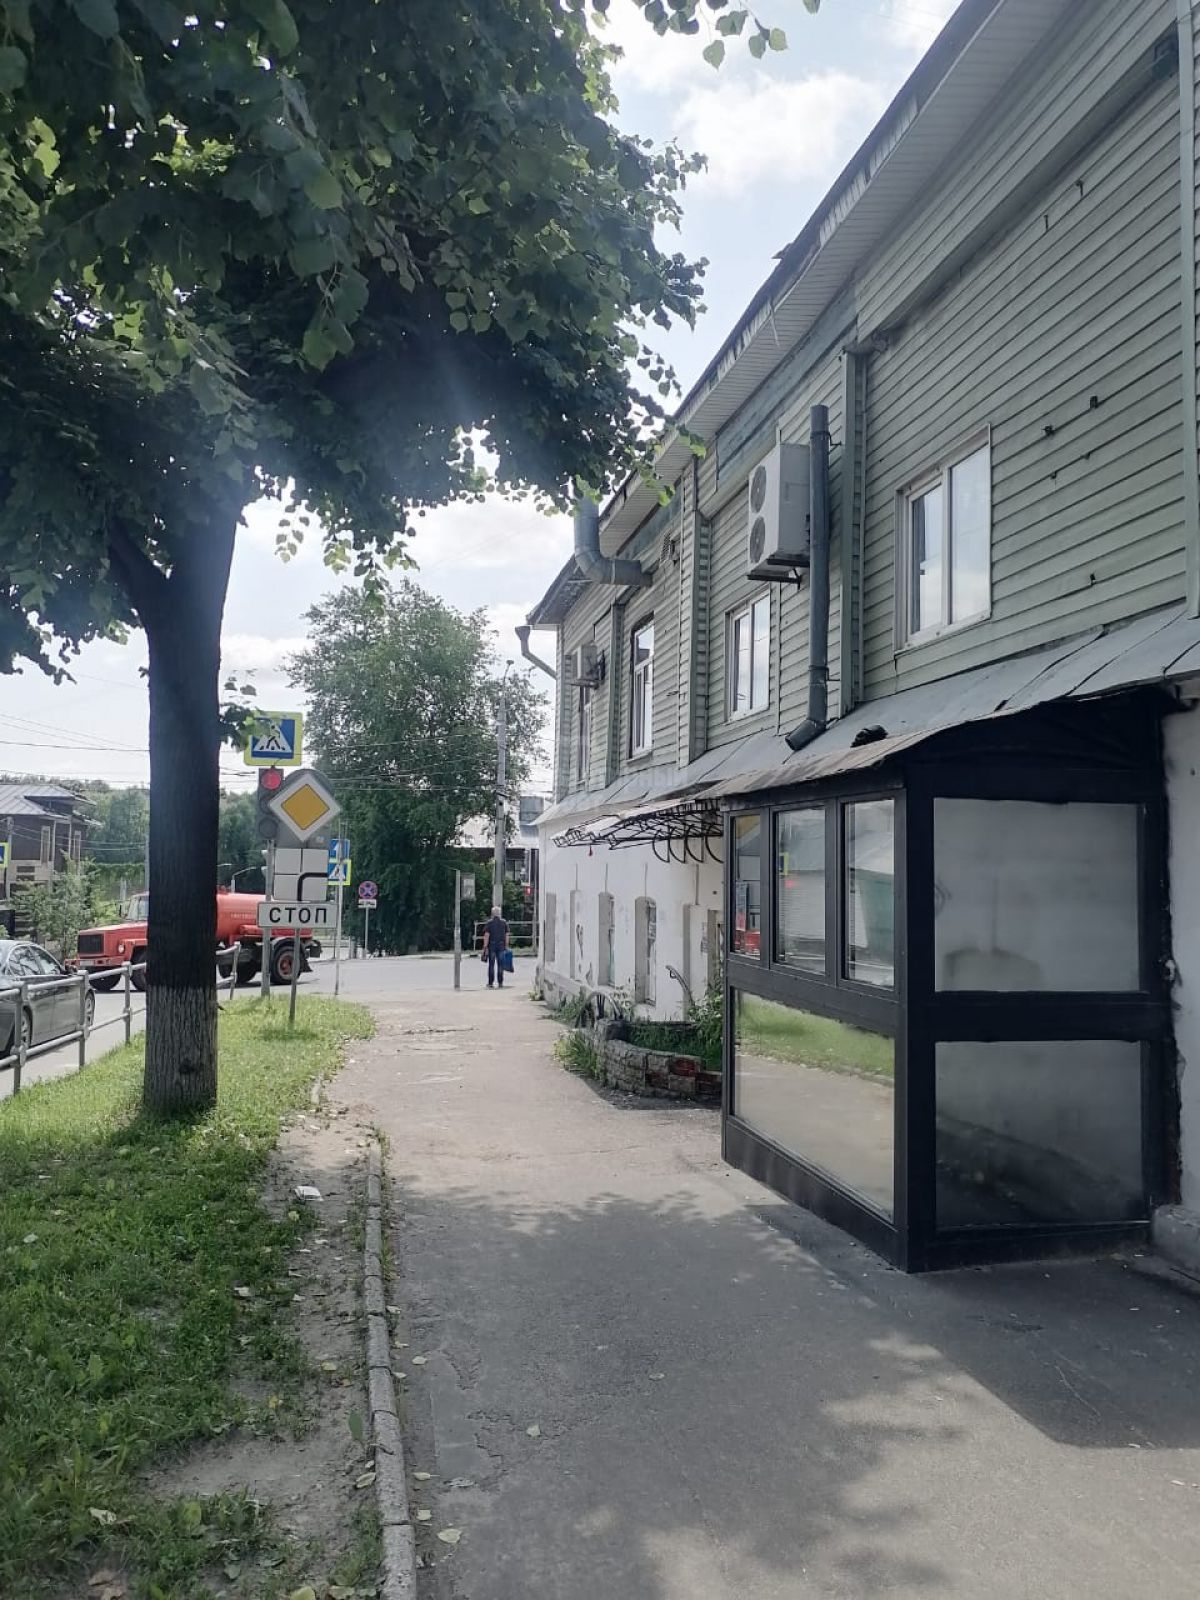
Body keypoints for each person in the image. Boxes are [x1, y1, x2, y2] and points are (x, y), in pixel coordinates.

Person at [482, 904, 509, 989]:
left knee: (491, 965)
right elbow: (506, 935)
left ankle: (490, 983)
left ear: (492, 913)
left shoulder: (489, 923)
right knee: (500, 965)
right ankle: (500, 983)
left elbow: (486, 935)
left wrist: (485, 946)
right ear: (499, 913)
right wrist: (506, 945)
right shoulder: (504, 922)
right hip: (501, 946)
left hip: (492, 946)